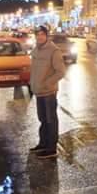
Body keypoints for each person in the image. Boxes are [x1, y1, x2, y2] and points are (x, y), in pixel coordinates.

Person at [29, 25, 66, 159]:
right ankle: (43, 143)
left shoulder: (53, 51)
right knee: (43, 119)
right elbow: (34, 70)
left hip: (49, 92)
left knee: (51, 120)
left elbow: (61, 72)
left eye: (42, 34)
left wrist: (47, 83)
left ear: (47, 36)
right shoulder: (36, 50)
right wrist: (32, 84)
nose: (40, 37)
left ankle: (51, 148)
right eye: (37, 34)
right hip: (38, 91)